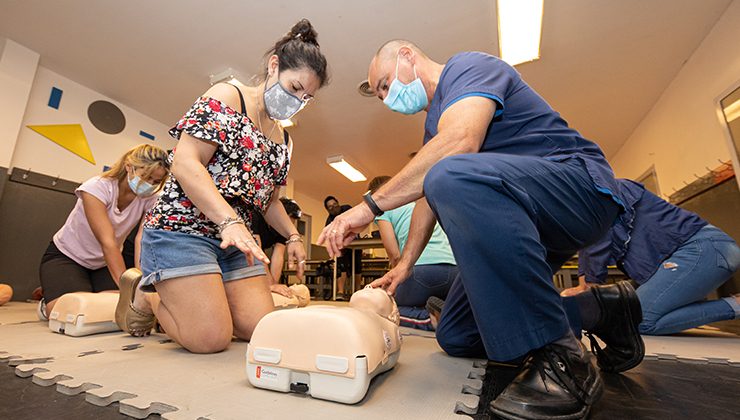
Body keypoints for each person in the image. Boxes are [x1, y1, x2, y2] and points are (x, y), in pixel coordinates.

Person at [320, 40, 643, 419]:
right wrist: (406, 264)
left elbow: (460, 144)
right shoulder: (435, 124)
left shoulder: (469, 67)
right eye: (379, 95)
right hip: (527, 220)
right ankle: (600, 309)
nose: (387, 99)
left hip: (580, 189)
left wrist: (369, 206)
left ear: (407, 55)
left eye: (386, 85)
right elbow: (428, 195)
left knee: (448, 173)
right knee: (456, 334)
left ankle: (564, 359)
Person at [116, 19, 328, 354]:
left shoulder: (284, 140)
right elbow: (186, 162)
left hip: (233, 243)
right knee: (210, 338)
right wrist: (229, 221)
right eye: (294, 87)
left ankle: (199, 296)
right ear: (274, 66)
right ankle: (146, 292)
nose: (298, 100)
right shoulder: (228, 95)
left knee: (260, 329)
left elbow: (270, 201)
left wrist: (293, 236)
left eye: (307, 97)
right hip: (182, 230)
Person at [561, 179, 740, 336]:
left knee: (639, 319)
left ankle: (737, 304)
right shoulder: (598, 200)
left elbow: (595, 237)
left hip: (705, 248)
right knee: (631, 310)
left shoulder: (602, 192)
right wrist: (586, 284)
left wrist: (587, 284)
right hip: (705, 250)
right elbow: (590, 241)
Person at [38, 144, 169, 317]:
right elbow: (108, 242)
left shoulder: (150, 199)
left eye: (156, 181)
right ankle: (47, 302)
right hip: (68, 257)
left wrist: (140, 283)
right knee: (66, 311)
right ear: (129, 166)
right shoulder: (96, 187)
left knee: (115, 305)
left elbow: (141, 240)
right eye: (147, 177)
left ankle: (83, 292)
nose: (150, 185)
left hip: (103, 264)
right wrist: (128, 289)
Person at [368, 176, 456, 330]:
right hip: (454, 273)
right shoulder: (420, 203)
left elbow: (394, 254)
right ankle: (449, 313)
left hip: (421, 272)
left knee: (380, 309)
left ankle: (430, 319)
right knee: (436, 299)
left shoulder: (384, 210)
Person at [251, 197, 304, 297]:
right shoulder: (256, 216)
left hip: (256, 251)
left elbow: (278, 256)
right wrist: (269, 284)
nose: (286, 226)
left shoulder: (282, 230)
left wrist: (275, 285)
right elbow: (257, 252)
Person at [324, 195, 362, 299]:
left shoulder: (347, 209)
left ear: (338, 203)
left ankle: (358, 291)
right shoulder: (329, 220)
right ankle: (340, 292)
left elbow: (355, 221)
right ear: (328, 210)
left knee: (357, 267)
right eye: (330, 207)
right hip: (341, 245)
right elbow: (329, 236)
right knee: (342, 267)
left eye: (334, 204)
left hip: (355, 241)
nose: (333, 207)